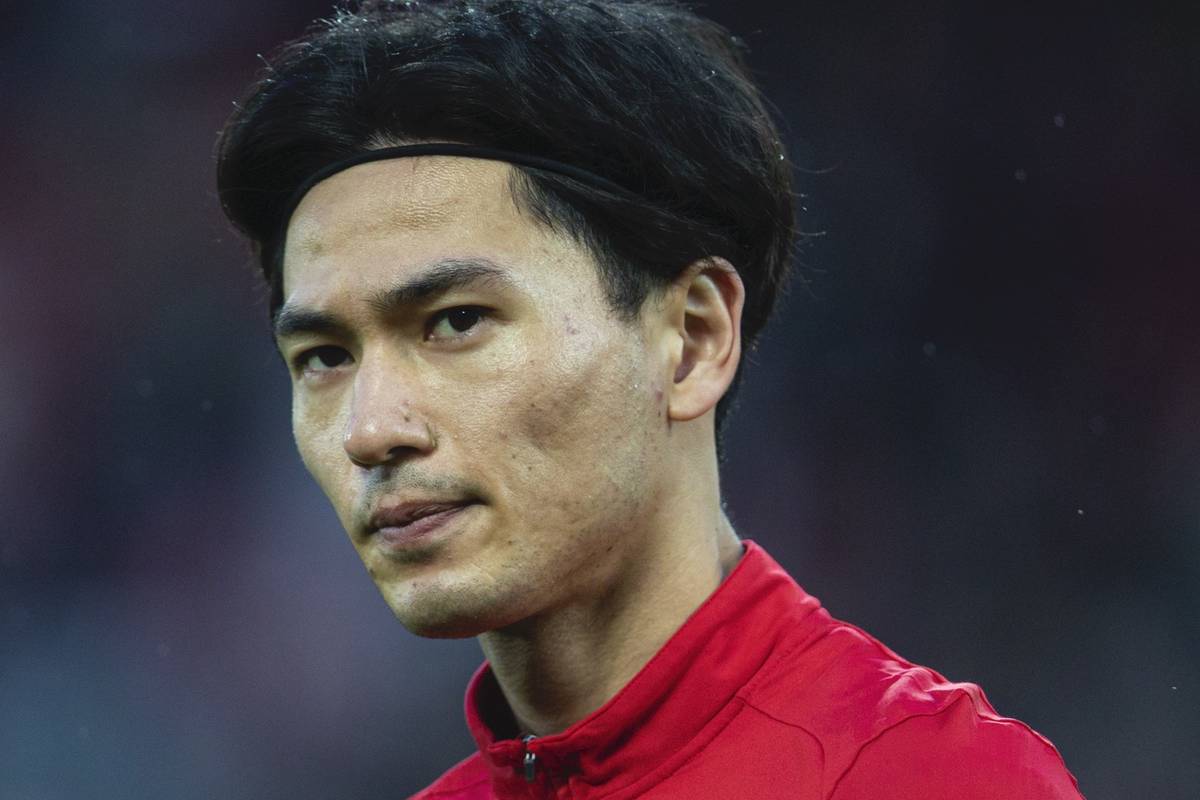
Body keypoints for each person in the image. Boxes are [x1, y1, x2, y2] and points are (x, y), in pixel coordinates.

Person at [216, 1, 1085, 797]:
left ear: (694, 339)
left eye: (455, 322)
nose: (370, 431)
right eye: (325, 355)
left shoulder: (929, 778)